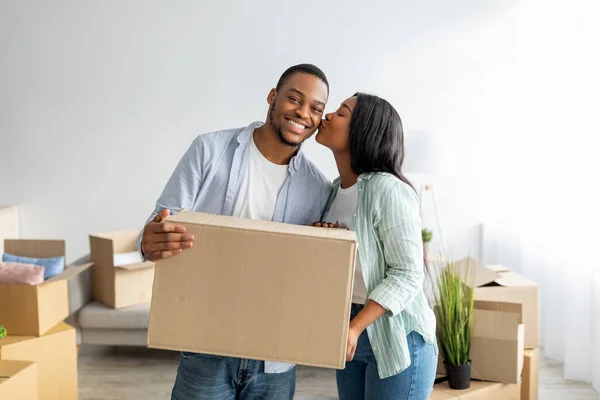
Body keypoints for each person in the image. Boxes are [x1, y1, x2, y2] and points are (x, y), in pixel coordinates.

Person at [135, 64, 332, 400]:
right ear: (272, 97)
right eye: (294, 100)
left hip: (275, 358)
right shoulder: (209, 150)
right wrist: (148, 240)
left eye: (316, 109)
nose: (303, 113)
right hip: (206, 344)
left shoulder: (317, 187)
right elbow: (159, 222)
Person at [312, 93, 438, 400]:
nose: (327, 115)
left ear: (363, 130)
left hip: (398, 334)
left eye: (341, 113)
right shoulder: (333, 191)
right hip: (351, 325)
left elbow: (407, 274)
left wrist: (355, 328)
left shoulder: (388, 189)